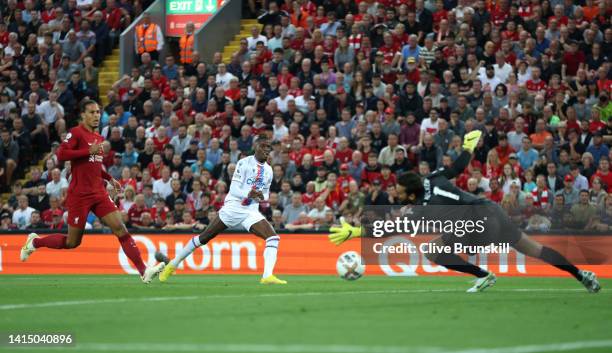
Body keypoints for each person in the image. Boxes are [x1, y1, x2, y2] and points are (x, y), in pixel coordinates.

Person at [329, 131, 601, 293]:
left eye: (399, 193)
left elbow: (389, 228)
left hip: (477, 225)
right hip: (490, 210)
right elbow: (458, 166)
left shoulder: (421, 210)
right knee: (534, 248)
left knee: (433, 250)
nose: (395, 194)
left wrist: (355, 231)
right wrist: (469, 146)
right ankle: (581, 275)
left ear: (410, 194)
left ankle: (483, 276)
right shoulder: (433, 177)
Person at [19, 100, 165, 283]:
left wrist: (109, 178)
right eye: (92, 112)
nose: (96, 115)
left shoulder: (97, 137)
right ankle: (34, 242)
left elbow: (94, 165)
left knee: (120, 228)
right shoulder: (75, 133)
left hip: (98, 192)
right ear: (83, 115)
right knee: (72, 242)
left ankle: (144, 271)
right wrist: (87, 151)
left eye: (98, 112)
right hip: (79, 195)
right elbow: (62, 155)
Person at [159, 134, 287, 285]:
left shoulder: (269, 170)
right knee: (204, 238)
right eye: (264, 147)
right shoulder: (244, 163)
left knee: (273, 238)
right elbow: (233, 189)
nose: (267, 151)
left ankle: (267, 276)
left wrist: (261, 196)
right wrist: (248, 193)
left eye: (269, 149)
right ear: (257, 147)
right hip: (233, 208)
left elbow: (265, 193)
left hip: (251, 211)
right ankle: (173, 264)